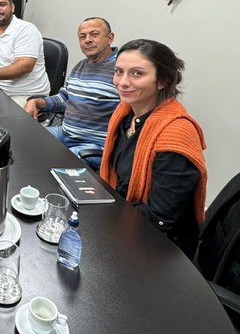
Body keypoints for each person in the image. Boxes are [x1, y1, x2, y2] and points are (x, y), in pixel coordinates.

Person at [100, 39, 207, 257]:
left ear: (162, 81)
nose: (122, 82)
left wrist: (101, 215)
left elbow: (159, 218)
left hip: (158, 248)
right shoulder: (125, 114)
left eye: (137, 73)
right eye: (119, 72)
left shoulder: (175, 134)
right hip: (121, 216)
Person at [23, 17, 119, 170]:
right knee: (25, 140)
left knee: (51, 167)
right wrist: (37, 102)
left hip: (93, 145)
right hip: (65, 134)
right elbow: (64, 98)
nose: (88, 40)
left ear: (110, 38)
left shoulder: (121, 70)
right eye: (82, 36)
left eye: (94, 34)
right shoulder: (81, 66)